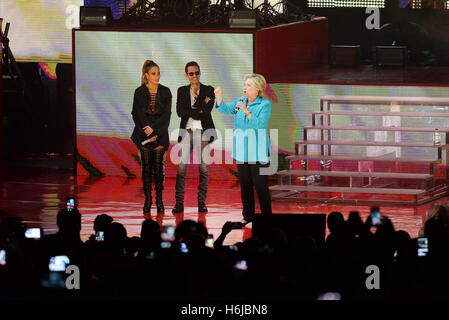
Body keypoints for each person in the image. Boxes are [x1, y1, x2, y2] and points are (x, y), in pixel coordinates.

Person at [214, 73, 272, 225]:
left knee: (260, 186)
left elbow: (259, 125)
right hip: (242, 151)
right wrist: (219, 98)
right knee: (245, 185)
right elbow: (226, 109)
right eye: (245, 84)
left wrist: (246, 111)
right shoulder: (241, 101)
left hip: (258, 152)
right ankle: (248, 216)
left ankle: (267, 217)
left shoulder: (264, 105)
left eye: (248, 85)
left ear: (258, 89)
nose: (244, 88)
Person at [172, 61, 217, 213]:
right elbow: (180, 112)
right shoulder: (182, 91)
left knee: (204, 168)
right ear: (186, 75)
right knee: (181, 168)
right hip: (187, 132)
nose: (194, 76)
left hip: (204, 132)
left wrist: (195, 104)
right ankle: (179, 203)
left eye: (197, 72)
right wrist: (199, 106)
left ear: (200, 72)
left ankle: (201, 203)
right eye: (191, 73)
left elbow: (207, 110)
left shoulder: (208, 90)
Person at [131, 60, 172, 215]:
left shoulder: (166, 91)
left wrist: (154, 131)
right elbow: (136, 113)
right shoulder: (139, 92)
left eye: (159, 73)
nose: (157, 76)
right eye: (154, 73)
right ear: (146, 75)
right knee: (146, 169)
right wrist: (147, 129)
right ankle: (148, 200)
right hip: (143, 134)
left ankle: (159, 201)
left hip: (160, 135)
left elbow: (167, 115)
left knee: (159, 169)